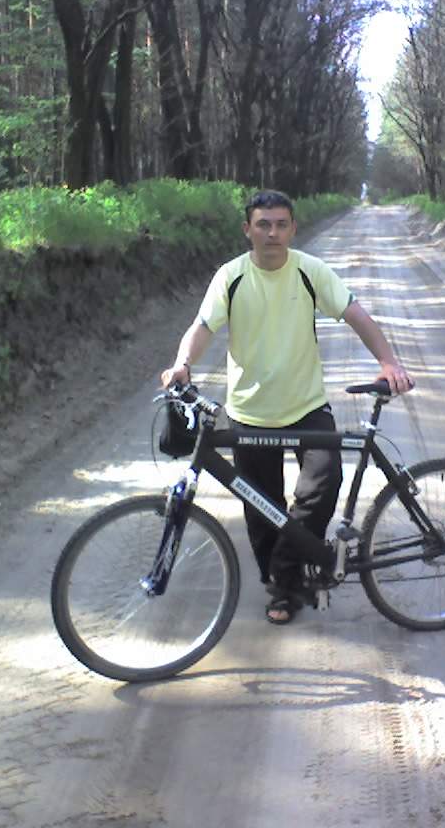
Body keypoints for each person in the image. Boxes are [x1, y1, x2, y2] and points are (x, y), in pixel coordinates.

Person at [160, 190, 413, 625]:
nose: (272, 233)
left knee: (323, 484)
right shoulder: (231, 276)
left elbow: (356, 314)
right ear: (248, 230)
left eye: (281, 224)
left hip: (307, 406)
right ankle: (282, 587)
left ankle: (285, 574)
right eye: (263, 224)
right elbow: (202, 327)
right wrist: (183, 364)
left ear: (293, 229)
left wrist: (388, 362)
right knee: (260, 506)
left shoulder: (310, 271)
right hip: (249, 411)